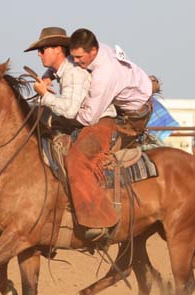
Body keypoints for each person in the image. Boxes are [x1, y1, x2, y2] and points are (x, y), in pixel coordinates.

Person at [67, 28, 152, 242]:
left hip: (131, 117)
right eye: (73, 56)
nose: (76, 61)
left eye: (79, 57)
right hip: (132, 99)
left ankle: (97, 219)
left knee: (79, 158)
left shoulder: (104, 76)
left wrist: (63, 111)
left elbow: (89, 118)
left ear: (93, 51)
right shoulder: (99, 52)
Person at [24, 26, 92, 121]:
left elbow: (69, 111)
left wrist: (44, 93)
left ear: (58, 49)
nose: (39, 54)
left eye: (42, 50)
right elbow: (54, 70)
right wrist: (47, 77)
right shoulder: (67, 67)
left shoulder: (73, 72)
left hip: (96, 124)